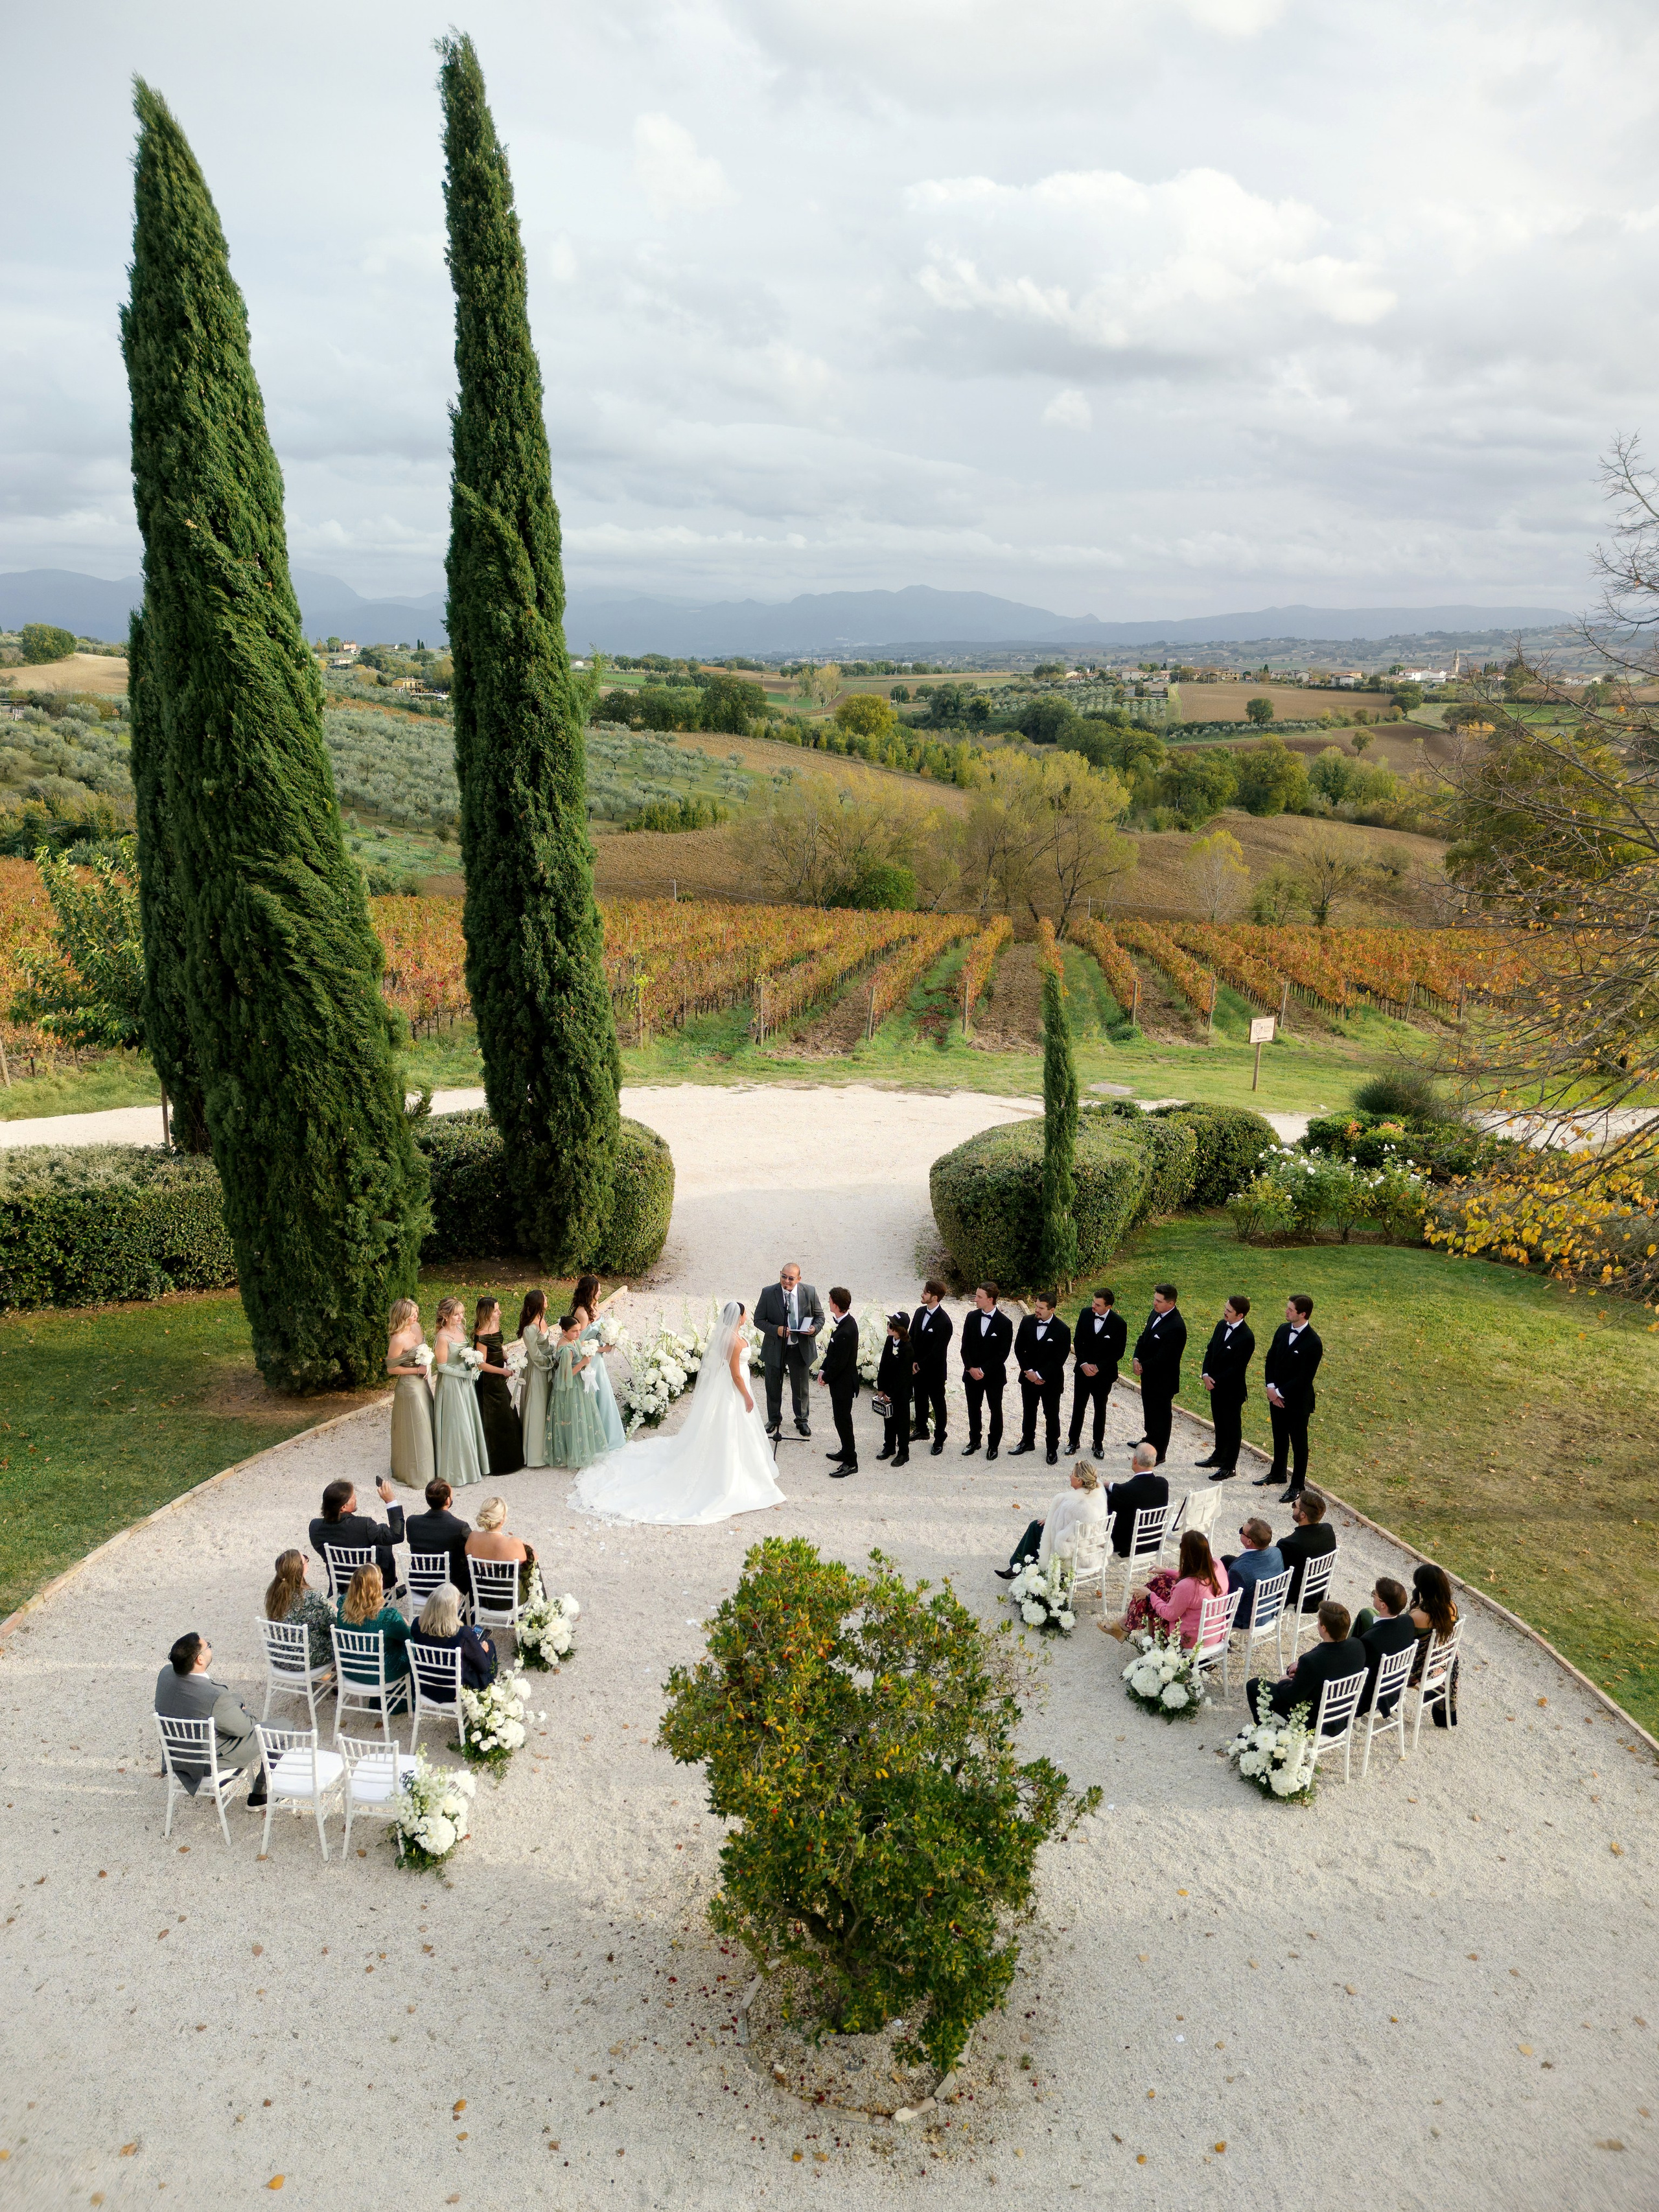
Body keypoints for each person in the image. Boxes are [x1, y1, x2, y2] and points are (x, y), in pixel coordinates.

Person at [575, 1300, 787, 1525]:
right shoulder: (734, 1343)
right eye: (745, 1315)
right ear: (739, 1317)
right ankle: (732, 1473)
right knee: (731, 1425)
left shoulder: (727, 1338)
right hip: (735, 1389)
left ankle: (743, 1465)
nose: (746, 1317)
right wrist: (747, 1395)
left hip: (730, 1387)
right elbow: (735, 1375)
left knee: (731, 1428)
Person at [154, 1632, 267, 1808]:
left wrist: (233, 1702)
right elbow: (244, 1728)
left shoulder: (166, 1673)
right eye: (209, 1646)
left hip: (176, 1757)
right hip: (208, 1763)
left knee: (226, 1714)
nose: (210, 1648)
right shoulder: (215, 1696)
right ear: (200, 1659)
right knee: (283, 1728)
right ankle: (260, 1796)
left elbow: (215, 1702)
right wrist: (247, 1712)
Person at [1247, 1599, 1366, 1731]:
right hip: (1343, 1715)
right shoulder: (1357, 1646)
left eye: (1319, 1621)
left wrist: (1284, 1681)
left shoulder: (1312, 1661)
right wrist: (1302, 1668)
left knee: (1253, 1685)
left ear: (1324, 1628)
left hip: (1315, 1720)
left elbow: (1292, 1697)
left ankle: (1262, 1730)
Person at [1259, 1293, 1323, 1503]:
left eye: (1290, 1309)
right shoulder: (1282, 1330)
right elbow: (1270, 1359)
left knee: (1299, 1444)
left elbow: (1304, 1378)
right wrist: (1270, 1387)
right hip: (1275, 1395)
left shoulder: (1313, 1342)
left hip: (1296, 1402)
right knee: (1279, 1436)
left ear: (1302, 1314)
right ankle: (1278, 1473)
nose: (1286, 1311)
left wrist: (1279, 1393)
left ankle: (1297, 1485)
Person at [997, 1461, 1106, 1580]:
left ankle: (1018, 1566)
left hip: (1071, 1553)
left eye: (1072, 1474)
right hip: (1092, 1549)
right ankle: (1020, 1565)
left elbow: (1060, 1536)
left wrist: (1050, 1521)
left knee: (1036, 1526)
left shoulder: (1071, 1504)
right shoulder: (1098, 1496)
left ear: (1080, 1480)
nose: (1070, 1476)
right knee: (1039, 1525)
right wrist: (1051, 1518)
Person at [753, 1263, 824, 1441]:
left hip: (799, 1348)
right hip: (776, 1347)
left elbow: (820, 1317)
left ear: (799, 1279)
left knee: (801, 1388)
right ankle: (774, 1419)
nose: (786, 1281)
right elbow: (758, 1320)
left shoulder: (809, 1292)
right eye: (784, 1276)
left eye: (791, 1278)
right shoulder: (769, 1292)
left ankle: (801, 1420)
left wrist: (814, 1329)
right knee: (773, 1385)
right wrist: (775, 1329)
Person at [432, 1295, 489, 1492]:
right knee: (456, 1425)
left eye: (462, 1313)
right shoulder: (442, 1338)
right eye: (456, 1314)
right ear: (445, 1315)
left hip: (465, 1382)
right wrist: (465, 1374)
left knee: (468, 1421)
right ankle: (455, 1471)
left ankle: (471, 1465)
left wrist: (473, 1365)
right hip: (451, 1385)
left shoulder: (460, 1329)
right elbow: (441, 1367)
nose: (460, 1317)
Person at [1196, 1295, 1254, 1482]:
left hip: (1231, 1391)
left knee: (1232, 1428)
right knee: (1219, 1424)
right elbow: (1210, 1350)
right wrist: (1205, 1374)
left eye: (1229, 1311)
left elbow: (1237, 1368)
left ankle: (1230, 1466)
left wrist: (1214, 1380)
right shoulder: (1221, 1325)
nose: (1225, 1312)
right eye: (1225, 1308)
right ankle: (1218, 1456)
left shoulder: (1246, 1337)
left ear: (1240, 1315)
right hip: (1214, 1385)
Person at [308, 1475, 405, 1589]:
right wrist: (391, 1501)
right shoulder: (364, 1525)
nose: (355, 1498)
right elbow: (396, 1535)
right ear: (344, 1507)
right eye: (352, 1497)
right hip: (368, 1583)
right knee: (383, 1543)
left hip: (342, 1582)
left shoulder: (315, 1526)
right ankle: (386, 1591)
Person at [549, 1311, 614, 1471]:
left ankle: (581, 1450)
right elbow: (566, 1375)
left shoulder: (572, 1341)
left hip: (578, 1384)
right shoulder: (566, 1349)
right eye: (574, 1331)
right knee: (573, 1416)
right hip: (571, 1387)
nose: (578, 1334)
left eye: (579, 1330)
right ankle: (573, 1453)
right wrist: (584, 1362)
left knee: (580, 1415)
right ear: (564, 1332)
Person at [1011, 1293, 1071, 1466]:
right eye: (1036, 1306)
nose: (1036, 1310)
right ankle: (1027, 1441)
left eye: (1041, 1308)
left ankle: (1052, 1447)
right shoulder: (1026, 1321)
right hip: (1028, 1378)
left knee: (1051, 1415)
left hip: (1050, 1382)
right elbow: (1018, 1348)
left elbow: (1059, 1360)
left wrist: (1039, 1375)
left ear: (1052, 1310)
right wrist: (1029, 1372)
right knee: (1029, 1411)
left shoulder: (1062, 1330)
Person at [1143, 1530, 1229, 1648]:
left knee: (1153, 1601)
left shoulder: (1187, 1586)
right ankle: (1125, 1624)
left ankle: (1152, 1646)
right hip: (1216, 1633)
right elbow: (1197, 1573)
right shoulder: (1217, 1565)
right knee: (1161, 1581)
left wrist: (1150, 1596)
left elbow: (1169, 1614)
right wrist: (1166, 1570)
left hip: (1191, 1641)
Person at [336, 1563, 412, 1696]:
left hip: (350, 1669)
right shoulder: (388, 1617)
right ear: (377, 1586)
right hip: (382, 1674)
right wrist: (406, 1623)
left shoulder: (342, 1604)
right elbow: (409, 1638)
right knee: (413, 1649)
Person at [571, 1275, 627, 1454]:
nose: (602, 1292)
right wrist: (604, 1349)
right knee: (595, 1395)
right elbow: (579, 1343)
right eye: (599, 1289)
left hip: (598, 1359)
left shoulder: (593, 1307)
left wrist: (610, 1338)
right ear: (590, 1292)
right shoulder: (581, 1313)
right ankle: (596, 1439)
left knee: (603, 1394)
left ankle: (609, 1435)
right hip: (590, 1360)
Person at [1067, 1287, 1125, 1460]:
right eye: (1093, 1302)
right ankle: (1073, 1440)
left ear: (1109, 1307)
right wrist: (1084, 1363)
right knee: (1078, 1406)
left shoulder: (1119, 1324)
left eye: (1098, 1305)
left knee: (1100, 1409)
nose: (1093, 1306)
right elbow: (1078, 1340)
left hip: (1103, 1375)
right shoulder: (1085, 1314)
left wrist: (1098, 1367)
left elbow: (1118, 1352)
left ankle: (1098, 1443)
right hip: (1083, 1371)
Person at [1132, 1284, 1186, 1466]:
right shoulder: (1155, 1313)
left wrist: (1142, 1366)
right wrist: (1136, 1357)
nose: (1154, 1303)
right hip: (1148, 1374)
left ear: (1171, 1303)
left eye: (1159, 1301)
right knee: (1149, 1410)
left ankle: (1160, 1452)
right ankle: (1149, 1440)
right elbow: (1144, 1337)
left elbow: (1165, 1358)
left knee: (1161, 1416)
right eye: (1155, 1298)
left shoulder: (1176, 1327)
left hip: (1163, 1380)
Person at [385, 1296, 435, 1490]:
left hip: (422, 1383)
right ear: (402, 1316)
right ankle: (416, 1472)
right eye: (412, 1313)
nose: (416, 1315)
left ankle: (431, 1464)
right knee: (416, 1427)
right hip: (409, 1387)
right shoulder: (397, 1339)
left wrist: (426, 1364)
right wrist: (416, 1371)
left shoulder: (417, 1328)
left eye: (416, 1312)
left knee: (427, 1420)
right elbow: (391, 1369)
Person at [409, 1583, 497, 1693]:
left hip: (425, 1685)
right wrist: (484, 1652)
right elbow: (483, 1667)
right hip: (453, 1690)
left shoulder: (417, 1625)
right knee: (489, 1646)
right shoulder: (463, 1634)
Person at [959, 1282, 1013, 1460]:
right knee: (973, 1409)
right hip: (971, 1373)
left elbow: (1002, 1354)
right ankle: (974, 1441)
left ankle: (993, 1445)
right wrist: (971, 1368)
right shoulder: (971, 1317)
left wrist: (982, 1370)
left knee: (995, 1409)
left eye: (979, 1297)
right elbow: (964, 1347)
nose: (976, 1299)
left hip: (993, 1376)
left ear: (990, 1299)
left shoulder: (1005, 1323)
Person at [472, 1297, 524, 1476]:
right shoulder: (481, 1336)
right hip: (488, 1382)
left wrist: (508, 1359)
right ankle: (496, 1462)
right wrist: (503, 1372)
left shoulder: (495, 1327)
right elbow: (481, 1365)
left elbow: (499, 1347)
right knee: (494, 1417)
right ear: (487, 1313)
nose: (500, 1313)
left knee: (508, 1412)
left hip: (499, 1377)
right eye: (496, 1310)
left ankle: (513, 1457)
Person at [1352, 1576, 1418, 1714]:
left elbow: (1356, 1673)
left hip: (1372, 1698)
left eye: (1375, 1595)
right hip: (1395, 1689)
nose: (1373, 1596)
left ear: (1383, 1605)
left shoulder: (1371, 1640)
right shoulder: (1408, 1622)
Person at [1408, 1563, 1461, 1728]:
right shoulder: (1452, 1608)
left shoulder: (1418, 1615)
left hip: (1417, 1669)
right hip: (1441, 1664)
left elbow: (1405, 1641)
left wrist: (1414, 1603)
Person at [262, 1549, 333, 1670]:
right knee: (340, 1641)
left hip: (280, 1658)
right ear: (301, 1569)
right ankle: (334, 1680)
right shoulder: (314, 1597)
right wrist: (333, 1608)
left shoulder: (273, 1593)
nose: (307, 1560)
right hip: (305, 1660)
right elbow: (334, 1624)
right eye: (305, 1559)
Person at [818, 1289, 862, 1478]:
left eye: (830, 1301)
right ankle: (846, 1450)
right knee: (840, 1419)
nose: (828, 1303)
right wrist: (822, 1369)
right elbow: (832, 1353)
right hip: (840, 1382)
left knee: (844, 1421)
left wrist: (826, 1377)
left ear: (835, 1304)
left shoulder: (847, 1329)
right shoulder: (844, 1325)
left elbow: (840, 1362)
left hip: (843, 1384)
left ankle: (851, 1461)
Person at [405, 1477, 473, 1596]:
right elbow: (470, 1554)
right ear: (448, 1501)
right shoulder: (460, 1527)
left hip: (418, 1586)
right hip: (447, 1589)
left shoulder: (412, 1522)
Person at [909, 1280, 954, 1453]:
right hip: (917, 1368)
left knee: (938, 1404)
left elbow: (938, 1352)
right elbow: (912, 1336)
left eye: (925, 1293)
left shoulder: (944, 1322)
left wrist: (919, 1365)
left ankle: (940, 1437)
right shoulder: (919, 1312)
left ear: (934, 1298)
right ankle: (922, 1430)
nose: (922, 1294)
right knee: (919, 1399)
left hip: (934, 1372)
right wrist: (912, 1361)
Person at [465, 1493, 538, 1602]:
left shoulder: (473, 1538)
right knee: (534, 1564)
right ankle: (539, 1608)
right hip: (509, 1599)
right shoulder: (513, 1543)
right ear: (502, 1519)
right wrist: (531, 1551)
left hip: (482, 1597)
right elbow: (528, 1566)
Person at [1105, 1440, 1168, 1559]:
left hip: (1127, 1546)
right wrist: (1111, 1485)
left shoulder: (1126, 1492)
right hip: (1153, 1542)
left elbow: (1107, 1506)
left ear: (1135, 1460)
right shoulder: (1163, 1484)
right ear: (1154, 1462)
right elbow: (1132, 1489)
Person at [1277, 1490, 1337, 1615]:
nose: (1293, 1506)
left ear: (1303, 1515)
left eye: (1295, 1505)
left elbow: (1280, 1577)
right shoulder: (1328, 1531)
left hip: (1298, 1597)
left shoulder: (1288, 1544)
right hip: (1319, 1592)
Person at [1218, 1517, 1284, 1630]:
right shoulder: (1276, 1552)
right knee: (1226, 1560)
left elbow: (1230, 1606)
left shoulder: (1238, 1571)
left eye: (1241, 1532)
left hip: (1247, 1620)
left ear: (1249, 1541)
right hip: (1270, 1610)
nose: (1240, 1533)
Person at [517, 1291, 555, 1470]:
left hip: (547, 1366)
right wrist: (551, 1361)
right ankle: (535, 1454)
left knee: (547, 1405)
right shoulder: (530, 1329)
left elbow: (547, 1345)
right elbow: (535, 1354)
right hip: (537, 1370)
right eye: (545, 1298)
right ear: (539, 1304)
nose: (547, 1300)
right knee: (537, 1407)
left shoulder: (542, 1320)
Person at [876, 1312, 912, 1468]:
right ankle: (889, 1446)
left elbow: (902, 1376)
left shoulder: (907, 1348)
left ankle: (903, 1452)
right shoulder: (889, 1341)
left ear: (900, 1329)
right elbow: (884, 1364)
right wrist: (881, 1388)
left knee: (902, 1422)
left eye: (891, 1325)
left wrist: (891, 1394)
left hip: (901, 1392)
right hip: (889, 1390)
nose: (888, 1327)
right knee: (888, 1418)